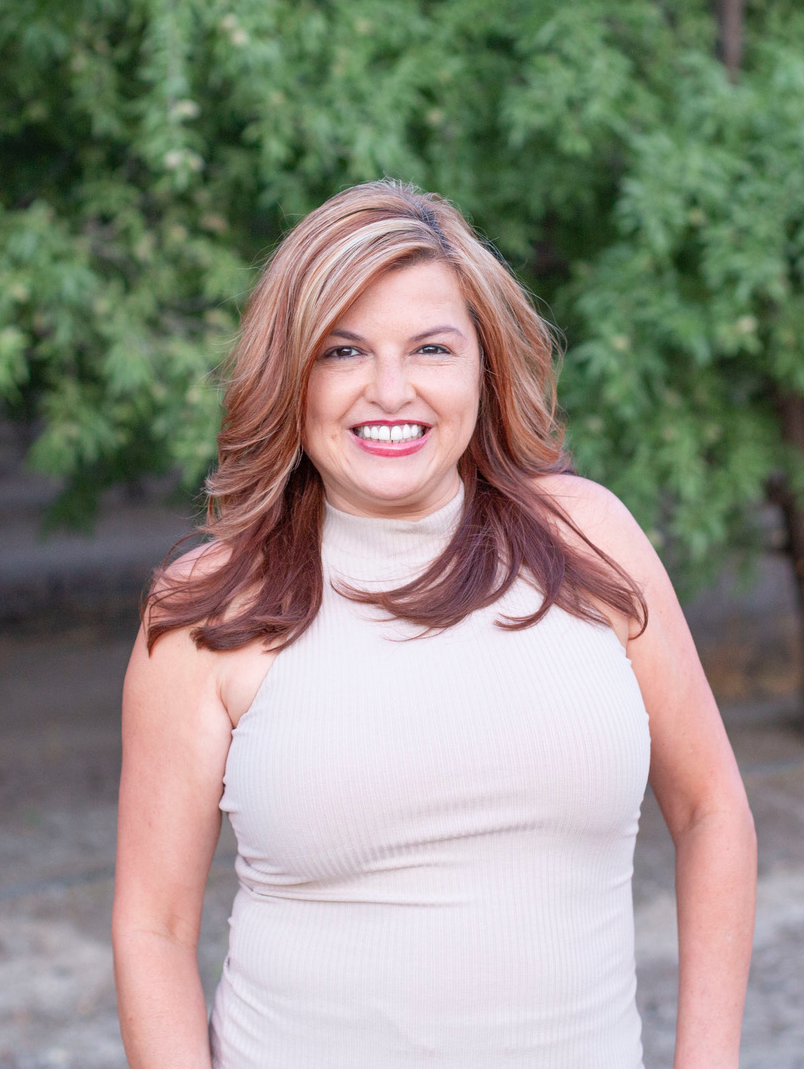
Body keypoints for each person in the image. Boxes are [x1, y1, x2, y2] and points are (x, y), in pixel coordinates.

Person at [112, 180, 756, 1069]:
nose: (390, 390)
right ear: (291, 374)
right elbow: (153, 925)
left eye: (431, 348)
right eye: (343, 350)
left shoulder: (589, 538)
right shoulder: (209, 605)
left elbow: (713, 809)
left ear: (482, 367)